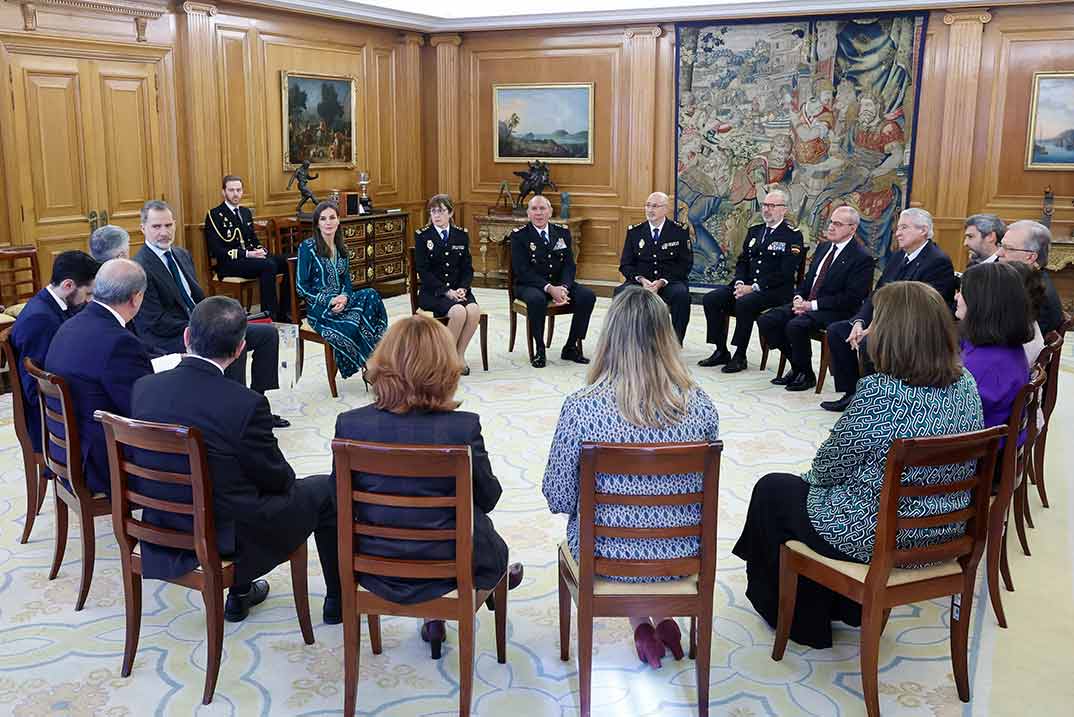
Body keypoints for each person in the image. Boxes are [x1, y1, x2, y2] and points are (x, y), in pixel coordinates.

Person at [733, 281, 984, 649]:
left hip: (881, 536)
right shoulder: (965, 382)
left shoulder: (881, 393)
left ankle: (802, 622)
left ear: (894, 334)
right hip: (944, 531)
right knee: (806, 496)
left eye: (876, 321)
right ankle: (842, 606)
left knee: (774, 489)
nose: (870, 329)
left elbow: (827, 468)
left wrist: (818, 483)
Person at [129, 297, 342, 624]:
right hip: (225, 535)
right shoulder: (246, 404)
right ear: (240, 348)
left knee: (235, 485)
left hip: (161, 522)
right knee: (327, 489)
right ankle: (337, 604)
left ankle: (241, 594)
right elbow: (278, 479)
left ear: (187, 336)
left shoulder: (144, 388)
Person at [543, 287, 720, 668]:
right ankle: (660, 619)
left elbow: (558, 497)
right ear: (665, 336)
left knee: (598, 531)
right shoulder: (701, 404)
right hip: (681, 557)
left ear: (611, 337)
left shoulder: (582, 408)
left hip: (606, 557)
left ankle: (642, 625)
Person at [333, 315, 520, 657]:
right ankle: (485, 587)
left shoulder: (351, 424)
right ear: (445, 367)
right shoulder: (461, 428)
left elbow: (338, 501)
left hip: (375, 565)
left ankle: (440, 614)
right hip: (450, 567)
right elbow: (489, 498)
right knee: (485, 534)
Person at [132, 200, 289, 427]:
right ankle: (236, 414)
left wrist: (219, 317)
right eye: (156, 227)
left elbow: (198, 298)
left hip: (199, 324)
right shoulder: (141, 266)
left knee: (267, 334)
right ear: (143, 228)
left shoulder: (181, 255)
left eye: (168, 225)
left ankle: (255, 404)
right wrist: (203, 326)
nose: (164, 232)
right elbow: (155, 321)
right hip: (170, 335)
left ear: (175, 225)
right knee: (230, 340)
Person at [821, 208, 956, 412]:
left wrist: (876, 328)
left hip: (914, 329)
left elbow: (921, 311)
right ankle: (852, 393)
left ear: (923, 231)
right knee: (838, 331)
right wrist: (860, 322)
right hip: (884, 321)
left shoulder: (938, 261)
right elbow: (877, 293)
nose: (898, 233)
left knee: (868, 342)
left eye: (904, 227)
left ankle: (875, 400)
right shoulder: (898, 256)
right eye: (897, 227)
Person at [43, 259, 153, 495]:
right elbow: (143, 411)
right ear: (136, 298)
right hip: (100, 463)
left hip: (65, 450)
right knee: (202, 453)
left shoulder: (70, 325)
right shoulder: (120, 342)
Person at [757, 206, 874, 391]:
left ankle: (804, 375)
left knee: (796, 326)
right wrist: (798, 298)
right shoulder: (824, 247)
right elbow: (808, 280)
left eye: (838, 224)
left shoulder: (861, 257)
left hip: (836, 310)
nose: (831, 227)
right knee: (767, 320)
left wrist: (811, 306)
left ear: (852, 229)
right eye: (831, 222)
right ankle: (800, 367)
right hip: (808, 304)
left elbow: (851, 298)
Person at [699, 188, 803, 373]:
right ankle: (721, 350)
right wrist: (739, 283)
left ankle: (740, 355)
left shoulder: (792, 236)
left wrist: (754, 287)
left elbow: (786, 272)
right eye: (765, 205)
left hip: (774, 291)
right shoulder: (755, 231)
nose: (767, 209)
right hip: (746, 286)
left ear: (783, 209)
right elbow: (742, 261)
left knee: (746, 303)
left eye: (772, 206)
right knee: (711, 299)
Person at [10, 250, 99, 452]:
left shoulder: (53, 305)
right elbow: (36, 390)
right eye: (88, 293)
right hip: (48, 425)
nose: (88, 301)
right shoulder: (40, 320)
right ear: (68, 285)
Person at [295, 200, 388, 379]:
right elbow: (301, 287)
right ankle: (370, 367)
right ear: (317, 223)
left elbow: (347, 283)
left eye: (332, 217)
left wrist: (344, 297)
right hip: (320, 310)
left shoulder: (342, 248)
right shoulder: (307, 248)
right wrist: (330, 300)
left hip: (342, 302)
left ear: (338, 221)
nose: (328, 222)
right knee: (354, 322)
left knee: (371, 295)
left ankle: (376, 361)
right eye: (323, 219)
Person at [510, 194, 596, 368]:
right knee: (537, 299)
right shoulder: (519, 236)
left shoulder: (562, 233)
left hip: (559, 283)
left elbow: (569, 266)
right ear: (528, 213)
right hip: (529, 285)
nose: (539, 213)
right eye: (534, 209)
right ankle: (540, 350)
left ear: (550, 212)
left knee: (587, 296)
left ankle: (571, 346)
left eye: (542, 208)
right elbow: (522, 271)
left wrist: (564, 287)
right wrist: (549, 288)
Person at [956, 262, 1032, 447]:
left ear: (981, 302)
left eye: (962, 292)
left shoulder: (986, 367)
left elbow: (949, 420)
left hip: (976, 458)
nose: (956, 296)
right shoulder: (1002, 345)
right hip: (987, 447)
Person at [204, 175, 290, 321]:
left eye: (238, 190)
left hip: (250, 259)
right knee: (268, 266)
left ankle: (285, 312)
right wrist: (248, 254)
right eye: (231, 190)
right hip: (229, 264)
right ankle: (269, 316)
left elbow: (253, 239)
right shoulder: (214, 215)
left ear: (242, 191)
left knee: (289, 261)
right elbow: (216, 250)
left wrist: (261, 250)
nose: (235, 193)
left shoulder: (245, 212)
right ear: (223, 192)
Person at [413, 194, 481, 373]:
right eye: (433, 211)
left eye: (441, 211)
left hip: (459, 289)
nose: (436, 215)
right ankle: (445, 357)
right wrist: (446, 291)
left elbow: (467, 268)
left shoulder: (461, 235)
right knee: (458, 312)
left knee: (473, 311)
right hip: (434, 292)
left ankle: (459, 355)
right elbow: (423, 272)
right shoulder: (423, 236)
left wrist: (463, 288)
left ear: (450, 213)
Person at [615, 191, 693, 343]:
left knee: (682, 296)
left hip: (668, 282)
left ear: (666, 209)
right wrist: (641, 279)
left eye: (655, 206)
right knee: (620, 293)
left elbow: (685, 264)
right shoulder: (635, 232)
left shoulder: (679, 231)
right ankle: (623, 341)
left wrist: (662, 281)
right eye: (648, 205)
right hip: (641, 282)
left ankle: (676, 343)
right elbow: (625, 264)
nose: (650, 210)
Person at [996, 219, 1063, 336]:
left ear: (1031, 257)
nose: (998, 253)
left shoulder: (1034, 293)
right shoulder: (1029, 281)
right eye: (1001, 245)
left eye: (1008, 248)